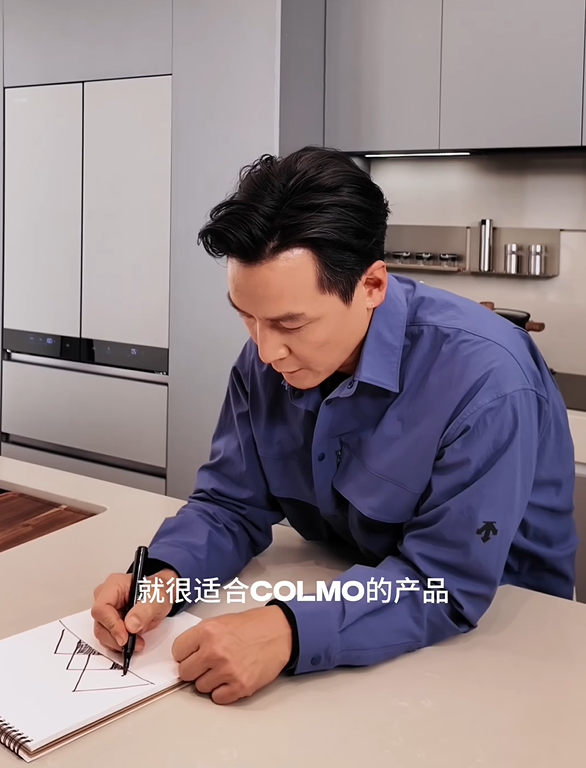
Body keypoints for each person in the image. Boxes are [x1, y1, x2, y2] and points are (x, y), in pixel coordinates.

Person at [91, 146, 577, 705]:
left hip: (509, 641)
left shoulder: (486, 379)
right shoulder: (266, 358)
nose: (265, 350)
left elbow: (443, 585)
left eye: (290, 323)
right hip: (362, 604)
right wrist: (167, 576)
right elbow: (230, 506)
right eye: (246, 316)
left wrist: (288, 632)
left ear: (372, 286)